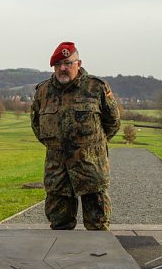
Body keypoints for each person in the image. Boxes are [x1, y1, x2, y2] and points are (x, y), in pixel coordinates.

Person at [31, 41, 121, 231]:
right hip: (57, 173)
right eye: (58, 65)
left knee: (98, 228)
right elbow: (37, 127)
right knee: (59, 228)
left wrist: (91, 147)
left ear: (78, 64)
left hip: (91, 170)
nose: (62, 68)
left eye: (67, 63)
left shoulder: (97, 88)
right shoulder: (43, 92)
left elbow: (112, 123)